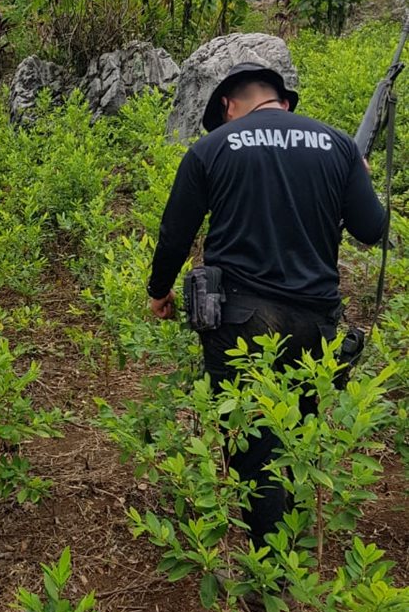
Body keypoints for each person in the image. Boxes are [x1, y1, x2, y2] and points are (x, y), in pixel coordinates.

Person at [147, 62, 387, 547]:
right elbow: (372, 230)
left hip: (240, 318)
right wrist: (359, 177)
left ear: (228, 105)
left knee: (253, 438)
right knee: (300, 426)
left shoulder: (211, 148)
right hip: (315, 319)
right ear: (283, 100)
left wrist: (159, 291)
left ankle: (268, 572)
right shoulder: (338, 145)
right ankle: (297, 545)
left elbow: (176, 232)